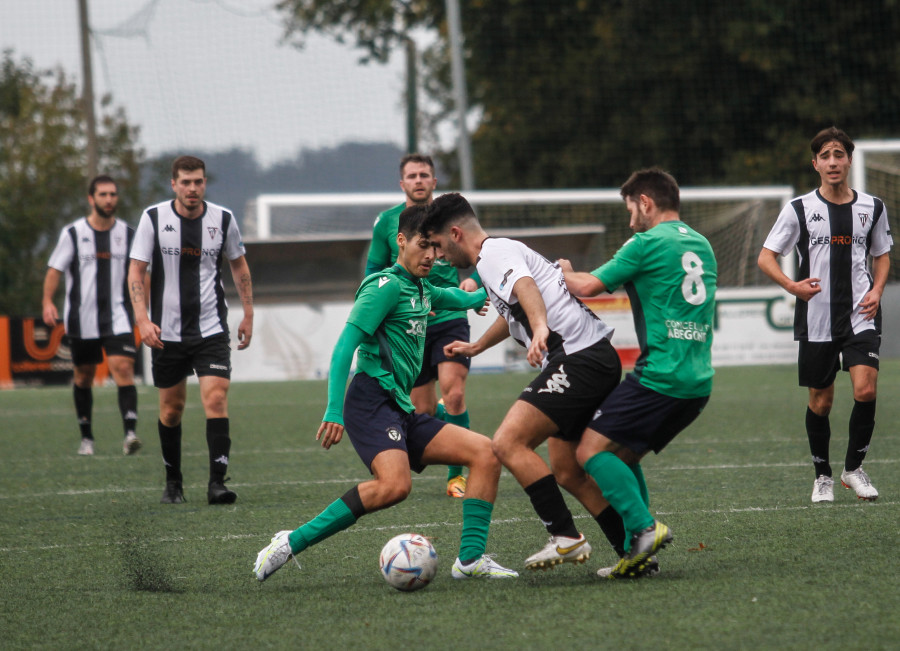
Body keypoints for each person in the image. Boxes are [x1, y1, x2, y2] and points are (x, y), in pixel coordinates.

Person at [254, 206, 518, 582]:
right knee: (395, 486)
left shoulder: (422, 287)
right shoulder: (386, 285)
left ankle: (471, 561)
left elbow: (450, 297)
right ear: (401, 241)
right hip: (369, 401)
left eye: (435, 249)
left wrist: (475, 300)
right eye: (424, 246)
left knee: (486, 453)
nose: (432, 256)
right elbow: (345, 346)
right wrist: (333, 410)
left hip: (400, 406)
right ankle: (291, 541)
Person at [421, 193, 629, 572]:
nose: (438, 256)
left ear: (455, 233)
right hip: (591, 357)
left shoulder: (493, 253)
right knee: (567, 470)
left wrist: (539, 329)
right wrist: (478, 345)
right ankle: (632, 550)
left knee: (506, 442)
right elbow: (512, 307)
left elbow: (527, 287)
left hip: (580, 358)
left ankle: (565, 536)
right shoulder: (495, 258)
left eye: (437, 246)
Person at [559, 168, 717, 579]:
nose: (631, 220)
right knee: (624, 453)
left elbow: (588, 286)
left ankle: (644, 529)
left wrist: (558, 270)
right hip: (698, 382)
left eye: (631, 209)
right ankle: (638, 550)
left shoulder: (645, 242)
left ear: (645, 202)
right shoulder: (702, 245)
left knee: (590, 451)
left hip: (660, 376)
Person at [758, 127, 891, 503]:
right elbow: (766, 257)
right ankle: (823, 476)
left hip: (861, 314)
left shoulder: (872, 207)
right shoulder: (798, 208)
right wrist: (792, 285)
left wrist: (878, 290)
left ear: (849, 160)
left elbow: (882, 254)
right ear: (815, 163)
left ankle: (854, 468)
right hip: (816, 317)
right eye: (825, 156)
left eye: (839, 154)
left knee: (865, 389)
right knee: (822, 401)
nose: (833, 162)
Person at [128, 156, 254, 505]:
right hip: (164, 332)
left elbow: (239, 264)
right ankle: (173, 483)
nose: (193, 188)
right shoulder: (153, 218)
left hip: (211, 328)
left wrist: (248, 314)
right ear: (174, 184)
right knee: (171, 409)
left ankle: (217, 483)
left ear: (204, 183)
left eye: (198, 181)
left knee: (215, 398)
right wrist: (142, 319)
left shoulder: (223, 219)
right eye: (186, 182)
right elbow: (136, 271)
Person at [365, 154, 478, 498]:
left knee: (454, 389)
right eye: (411, 175)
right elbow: (373, 273)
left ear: (434, 182)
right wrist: (395, 307)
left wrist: (471, 283)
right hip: (410, 325)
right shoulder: (387, 222)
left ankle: (456, 478)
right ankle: (444, 413)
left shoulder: (451, 218)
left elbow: (478, 255)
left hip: (449, 316)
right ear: (402, 184)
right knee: (424, 410)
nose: (418, 180)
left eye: (424, 175)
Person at [43, 175, 142, 457]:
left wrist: (143, 307)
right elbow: (54, 270)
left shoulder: (128, 234)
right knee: (84, 376)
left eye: (113, 194)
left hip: (118, 316)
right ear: (91, 198)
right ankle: (87, 438)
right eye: (103, 194)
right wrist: (47, 301)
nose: (109, 199)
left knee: (123, 369)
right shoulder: (73, 233)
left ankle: (130, 434)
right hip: (81, 319)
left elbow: (141, 272)